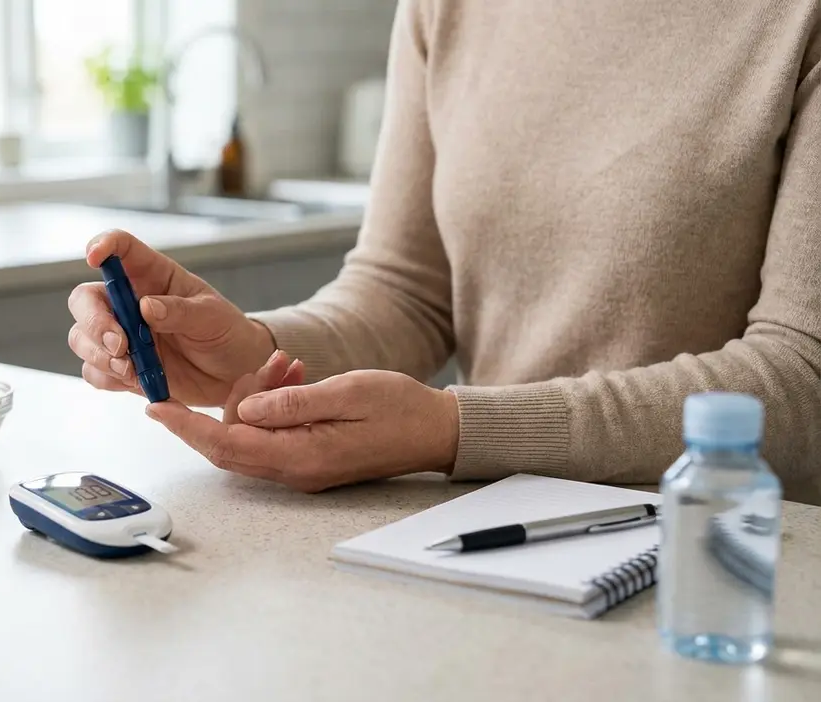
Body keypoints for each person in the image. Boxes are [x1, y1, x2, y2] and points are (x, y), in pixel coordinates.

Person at [66, 0, 821, 505]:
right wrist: (254, 351)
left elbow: (803, 375)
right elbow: (406, 292)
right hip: (483, 530)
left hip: (728, 555)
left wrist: (452, 429)